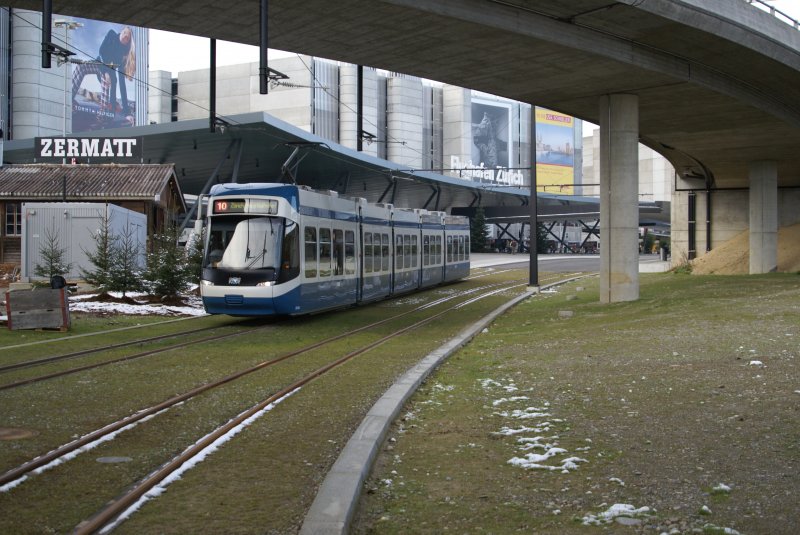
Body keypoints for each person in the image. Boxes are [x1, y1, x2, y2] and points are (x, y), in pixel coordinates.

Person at [72, 26, 136, 124]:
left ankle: (102, 115)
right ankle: (70, 97)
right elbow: (101, 51)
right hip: (99, 64)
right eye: (124, 33)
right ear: (121, 31)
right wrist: (106, 72)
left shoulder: (124, 53)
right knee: (81, 66)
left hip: (109, 74)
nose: (125, 37)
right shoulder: (111, 35)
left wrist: (127, 113)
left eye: (127, 38)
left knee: (108, 83)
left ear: (128, 42)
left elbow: (122, 83)